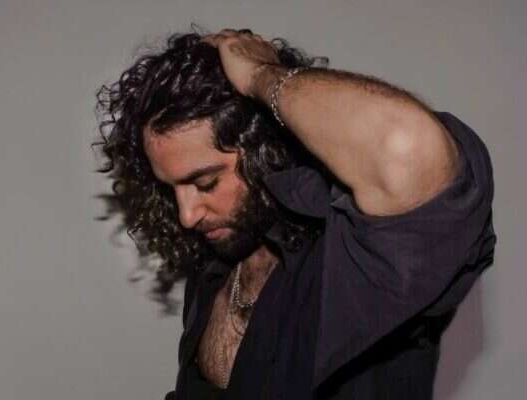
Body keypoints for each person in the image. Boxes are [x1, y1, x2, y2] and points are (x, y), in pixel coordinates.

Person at [93, 27, 497, 399]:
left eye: (206, 182)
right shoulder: (218, 262)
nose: (186, 215)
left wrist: (259, 76)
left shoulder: (356, 256)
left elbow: (405, 144)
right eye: (171, 190)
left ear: (261, 148)